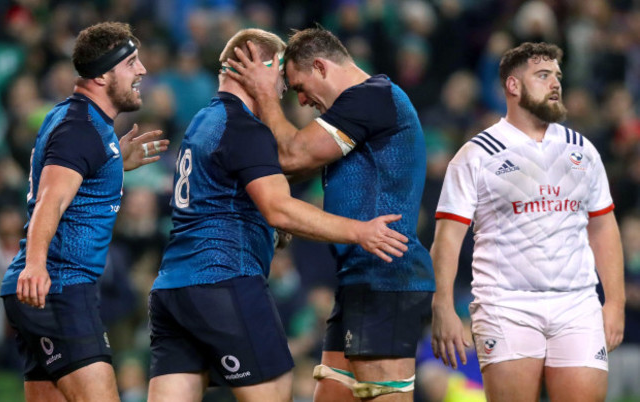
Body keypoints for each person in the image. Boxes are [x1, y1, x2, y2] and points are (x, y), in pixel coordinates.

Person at [147, 28, 410, 402]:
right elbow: (280, 208)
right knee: (274, 393)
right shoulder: (244, 127)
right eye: (283, 82)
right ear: (263, 67)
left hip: (171, 288)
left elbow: (227, 195)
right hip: (225, 280)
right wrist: (360, 232)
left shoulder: (200, 123)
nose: (286, 93)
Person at [225, 26, 434, 401]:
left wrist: (261, 91)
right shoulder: (360, 115)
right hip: (360, 277)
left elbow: (291, 155)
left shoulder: (373, 97)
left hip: (386, 275)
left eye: (300, 86)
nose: (302, 100)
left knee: (382, 395)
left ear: (320, 66)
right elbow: (289, 169)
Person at [429, 42, 625, 402]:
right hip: (506, 305)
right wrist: (442, 304)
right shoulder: (476, 155)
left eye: (558, 76)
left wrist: (614, 302)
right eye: (543, 75)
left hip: (578, 303)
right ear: (513, 86)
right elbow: (447, 238)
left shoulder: (582, 150)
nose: (555, 84)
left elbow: (603, 226)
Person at [0, 22, 168, 402]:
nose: (142, 71)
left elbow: (70, 182)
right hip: (58, 286)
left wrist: (113, 162)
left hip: (44, 290)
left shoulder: (77, 120)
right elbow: (51, 199)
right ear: (104, 74)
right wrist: (37, 265)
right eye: (132, 63)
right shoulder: (81, 128)